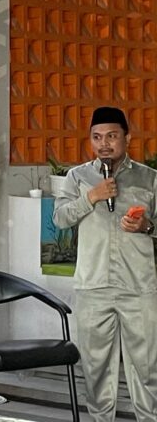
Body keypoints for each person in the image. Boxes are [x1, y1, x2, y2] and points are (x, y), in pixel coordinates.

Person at [53, 106, 157, 422]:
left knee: (147, 367)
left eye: (111, 136)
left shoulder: (149, 178)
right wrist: (92, 197)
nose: (104, 144)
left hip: (138, 286)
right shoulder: (77, 177)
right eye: (97, 137)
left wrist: (147, 226)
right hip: (93, 285)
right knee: (96, 369)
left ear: (127, 137)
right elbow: (60, 218)